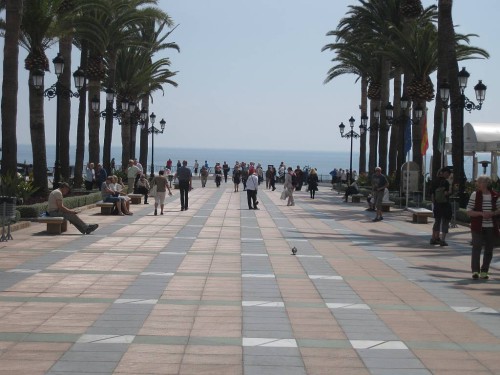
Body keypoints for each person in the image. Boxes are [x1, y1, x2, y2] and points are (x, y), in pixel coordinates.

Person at [466, 175, 498, 280]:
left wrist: (492, 213)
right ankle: (475, 271)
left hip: (491, 227)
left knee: (489, 249)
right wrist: (481, 213)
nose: (480, 184)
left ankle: (484, 271)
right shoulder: (475, 195)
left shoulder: (494, 196)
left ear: (487, 183)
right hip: (477, 226)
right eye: (479, 182)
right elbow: (469, 211)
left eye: (482, 182)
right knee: (477, 247)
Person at [430, 167, 452, 246]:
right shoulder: (445, 182)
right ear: (443, 173)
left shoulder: (434, 181)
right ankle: (442, 240)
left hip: (437, 204)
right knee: (445, 221)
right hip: (445, 205)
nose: (448, 175)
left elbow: (432, 194)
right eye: (448, 174)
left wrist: (434, 203)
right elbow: (446, 193)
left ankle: (434, 238)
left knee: (437, 221)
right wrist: (450, 192)